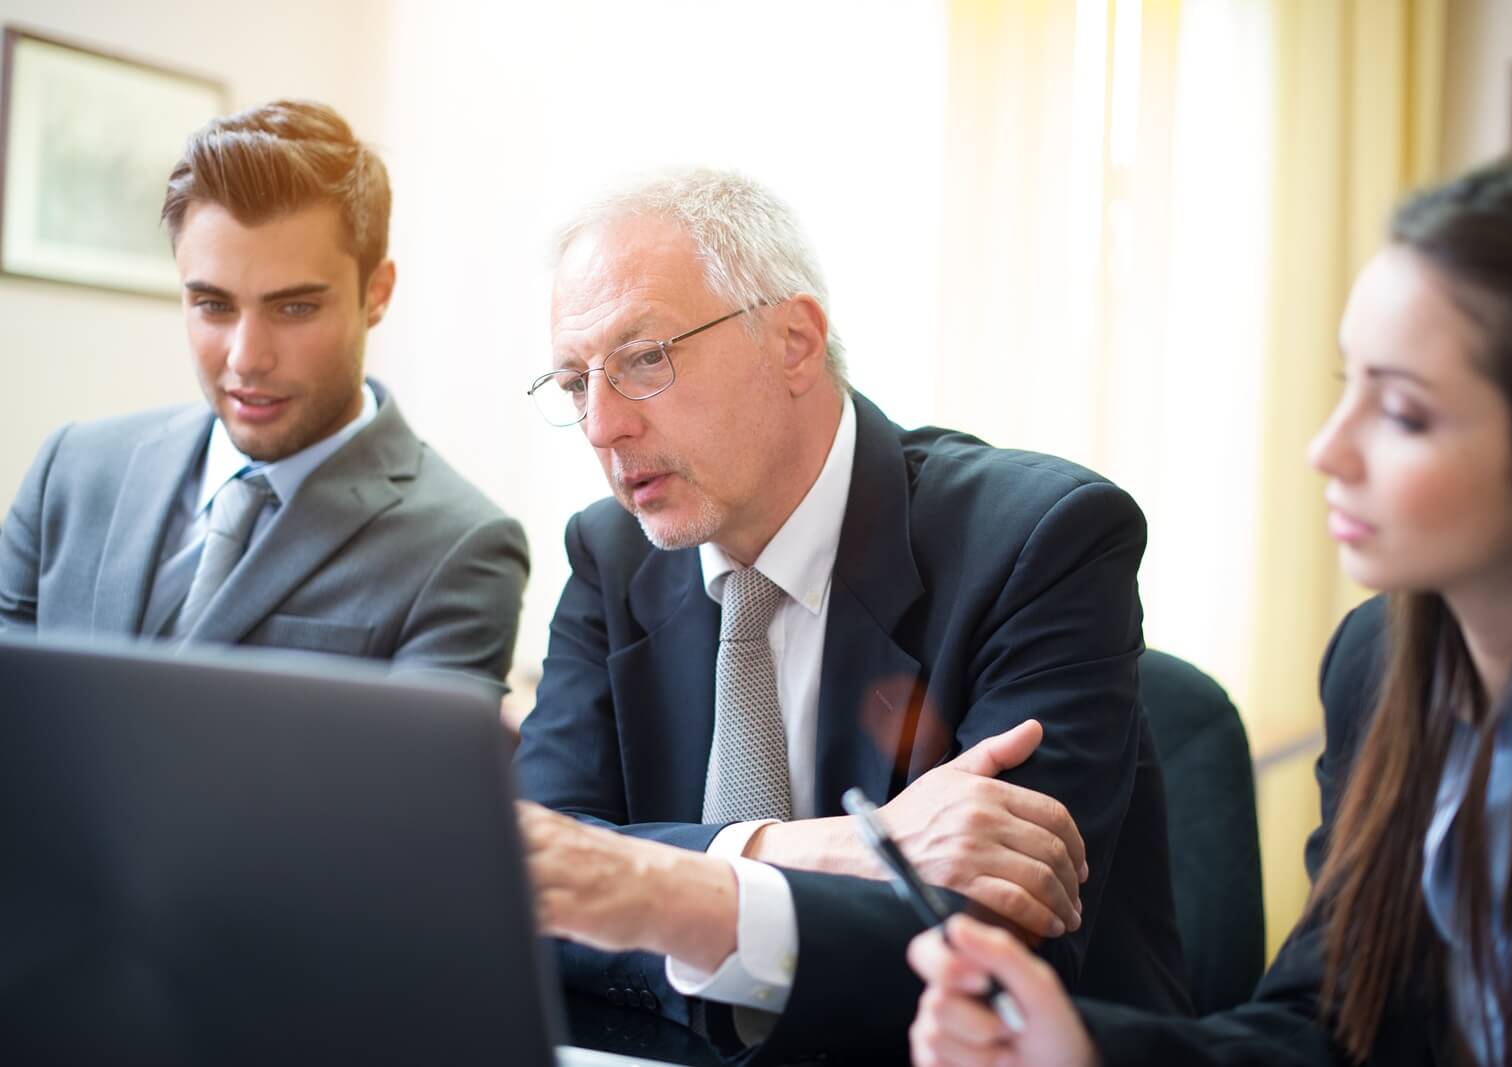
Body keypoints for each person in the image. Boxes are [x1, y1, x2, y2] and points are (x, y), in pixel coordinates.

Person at [906, 159, 1512, 1066]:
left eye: (1403, 412)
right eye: (1347, 381)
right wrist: (1079, 1048)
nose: (1328, 447)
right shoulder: (1379, 661)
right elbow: (1333, 1023)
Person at [512, 169, 1190, 1061]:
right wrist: (818, 849)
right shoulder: (613, 554)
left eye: (645, 360)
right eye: (573, 384)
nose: (601, 426)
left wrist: (651, 882)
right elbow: (523, 877)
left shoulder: (1039, 539)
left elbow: (992, 944)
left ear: (794, 341)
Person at [0, 100, 528, 690]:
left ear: (376, 293)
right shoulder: (70, 471)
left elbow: (404, 783)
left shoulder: (461, 546)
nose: (247, 357)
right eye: (212, 305)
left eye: (295, 307)